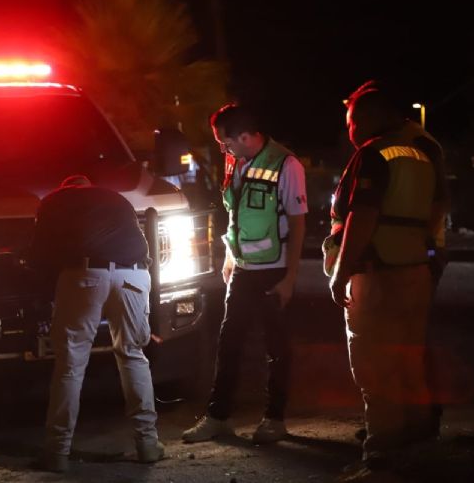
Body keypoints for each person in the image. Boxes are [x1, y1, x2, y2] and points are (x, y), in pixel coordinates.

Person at [325, 81, 448, 469]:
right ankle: (416, 442)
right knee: (408, 360)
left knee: (374, 366)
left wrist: (340, 272)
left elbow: (363, 216)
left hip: (377, 274)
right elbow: (435, 209)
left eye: (351, 120)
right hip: (415, 270)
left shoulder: (373, 154)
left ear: (368, 118)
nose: (350, 129)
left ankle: (382, 452)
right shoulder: (421, 153)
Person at [182, 103, 307, 444]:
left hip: (274, 270)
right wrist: (229, 257)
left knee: (277, 347)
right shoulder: (235, 161)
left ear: (246, 136)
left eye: (226, 142)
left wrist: (290, 278)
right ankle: (218, 417)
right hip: (241, 268)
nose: (224, 149)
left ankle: (275, 419)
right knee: (228, 343)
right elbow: (235, 214)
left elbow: (298, 223)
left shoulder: (287, 165)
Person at [30, 174, 164, 472]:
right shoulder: (116, 198)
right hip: (135, 275)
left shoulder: (53, 201)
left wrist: (42, 295)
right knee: (132, 355)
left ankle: (57, 452)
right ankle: (148, 444)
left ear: (65, 187)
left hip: (86, 273)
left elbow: (40, 254)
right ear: (88, 186)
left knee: (71, 364)